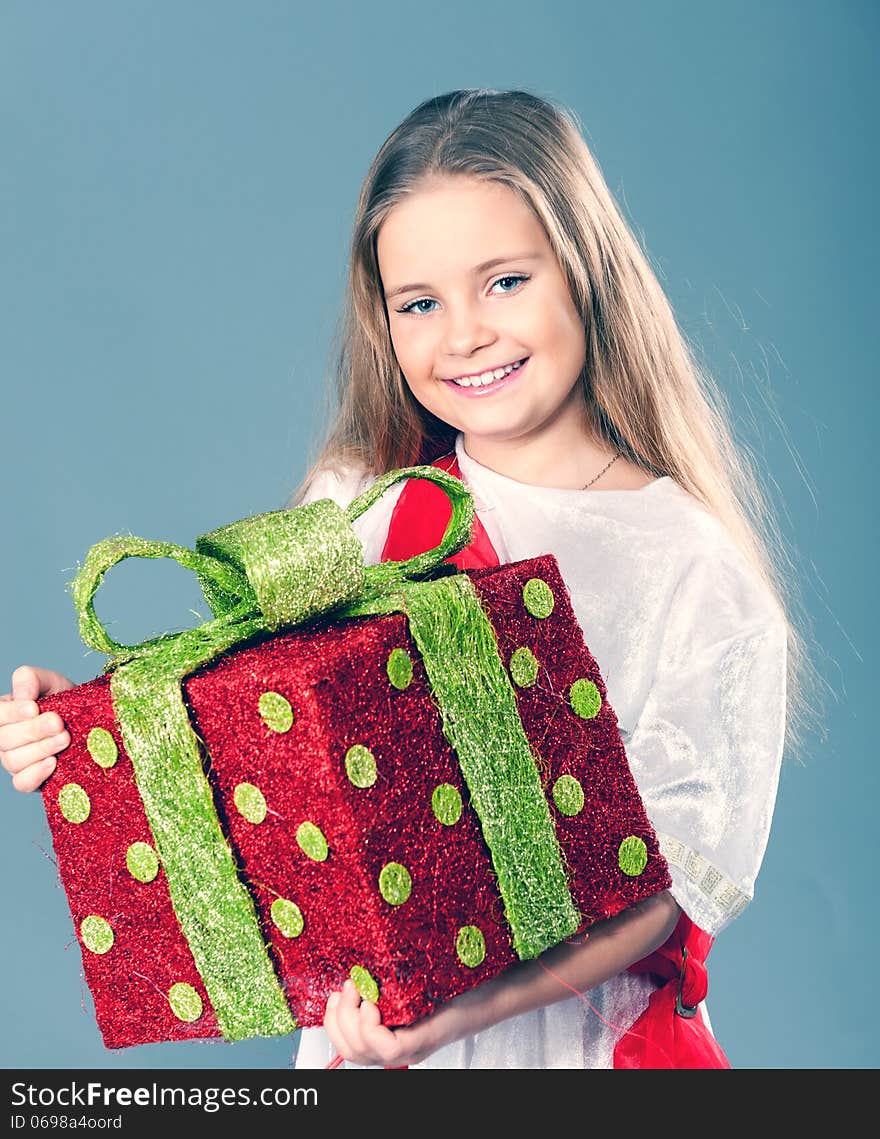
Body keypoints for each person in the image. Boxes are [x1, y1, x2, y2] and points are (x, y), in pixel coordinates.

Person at [1, 89, 809, 1069]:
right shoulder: (360, 509)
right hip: (370, 1043)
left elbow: (665, 889)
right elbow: (258, 735)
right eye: (418, 303)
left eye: (504, 281)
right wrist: (89, 729)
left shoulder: (690, 570)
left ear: (587, 273)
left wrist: (448, 1017)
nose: (462, 333)